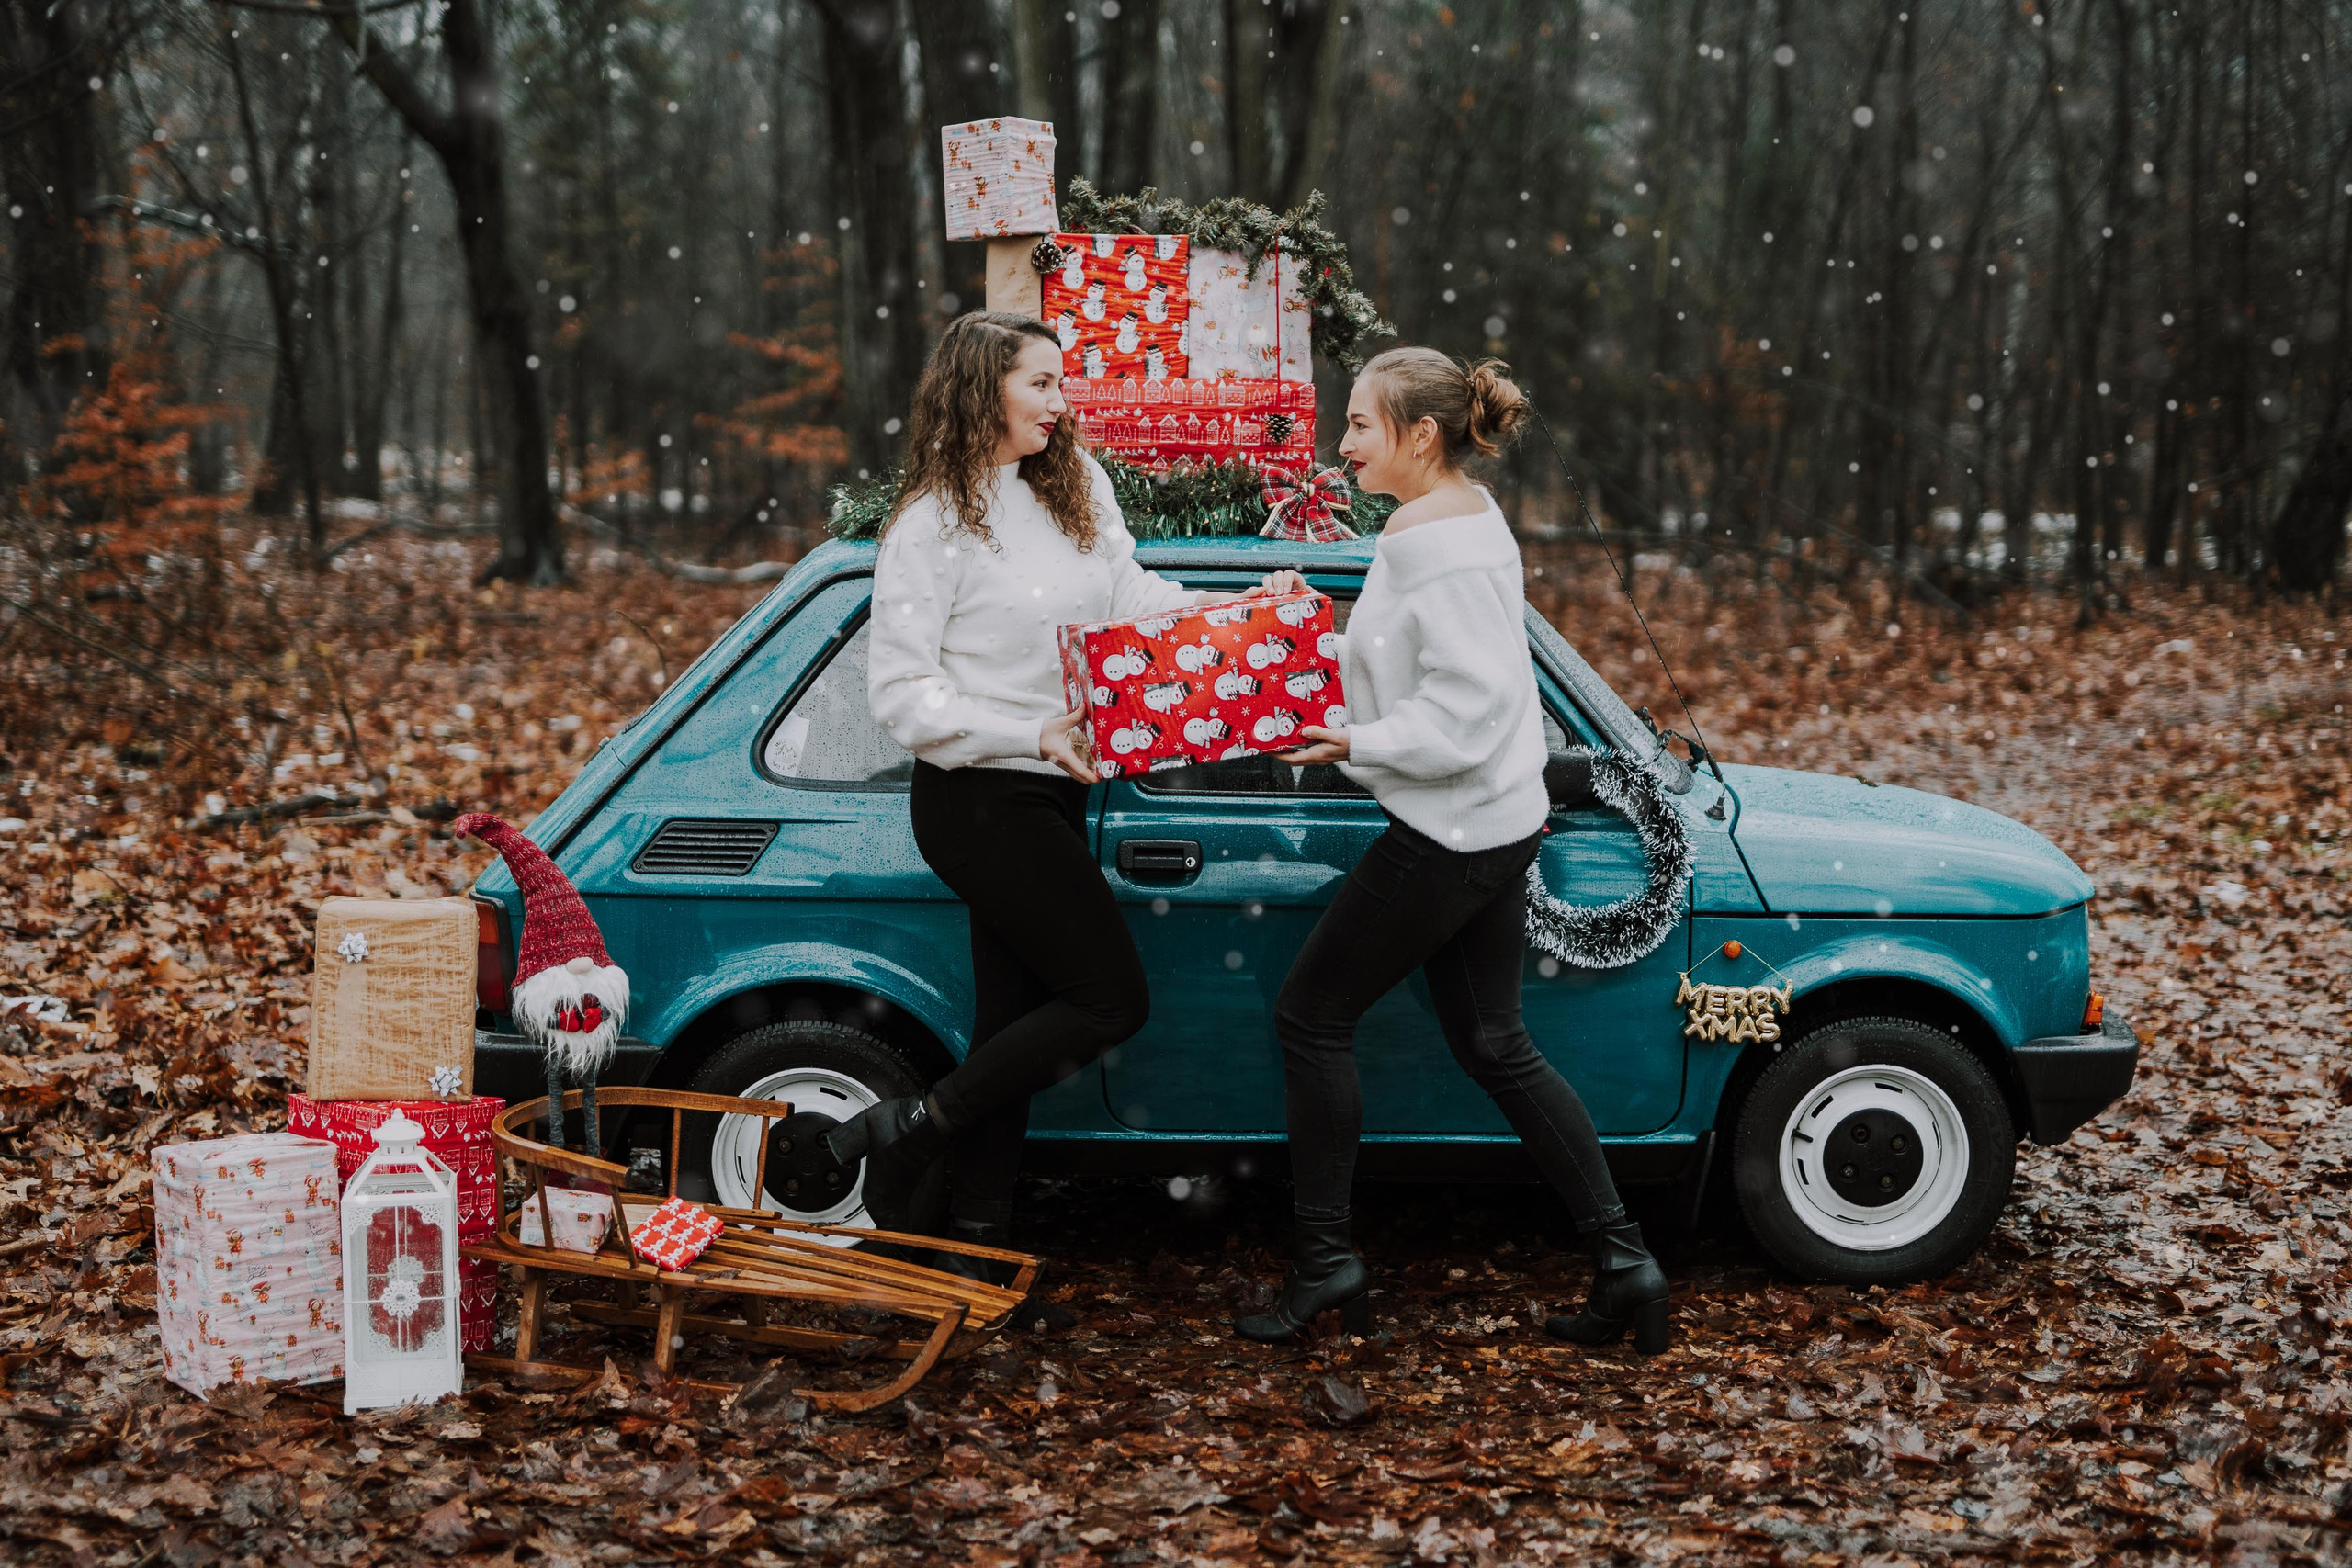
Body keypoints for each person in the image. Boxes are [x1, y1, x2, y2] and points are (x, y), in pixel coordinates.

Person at [831, 310, 1295, 1321]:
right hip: (974, 798)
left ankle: (975, 1261)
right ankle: (910, 1128)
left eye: (1061, 381)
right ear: (979, 390)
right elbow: (902, 699)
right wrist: (1028, 730)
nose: (1060, 400)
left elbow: (1128, 593)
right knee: (1106, 1000)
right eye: (1039, 383)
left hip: (1050, 793)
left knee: (1011, 1027)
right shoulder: (930, 528)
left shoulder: (1075, 484)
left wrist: (1247, 612)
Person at [1235, 347, 1671, 1356]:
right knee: (1494, 1045)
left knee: (1311, 1017)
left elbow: (1466, 710)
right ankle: (1623, 1263)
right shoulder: (1455, 518)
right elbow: (1407, 657)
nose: (1340, 444)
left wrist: (1356, 740)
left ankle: (1325, 1262)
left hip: (1451, 831)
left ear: (1418, 435)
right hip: (1491, 820)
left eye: (1357, 425)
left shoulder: (1436, 545)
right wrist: (1309, 632)